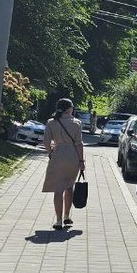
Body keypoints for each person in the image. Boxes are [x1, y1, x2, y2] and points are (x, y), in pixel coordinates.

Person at [42, 98, 85, 230]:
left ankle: (58, 220)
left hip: (57, 156)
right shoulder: (77, 123)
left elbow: (46, 142)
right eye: (72, 107)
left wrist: (50, 153)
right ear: (68, 108)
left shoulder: (51, 122)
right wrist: (81, 161)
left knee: (58, 190)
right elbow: (79, 144)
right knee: (69, 187)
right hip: (72, 158)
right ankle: (67, 216)